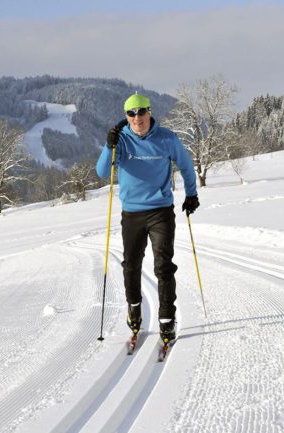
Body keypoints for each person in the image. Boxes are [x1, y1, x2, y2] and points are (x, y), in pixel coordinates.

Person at [96, 92, 199, 343]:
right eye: (131, 113)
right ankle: (134, 306)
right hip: (132, 213)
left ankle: (166, 319)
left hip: (160, 210)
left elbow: (185, 165)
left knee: (163, 265)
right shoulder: (121, 141)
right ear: (126, 116)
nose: (137, 117)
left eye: (141, 111)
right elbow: (102, 172)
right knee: (131, 265)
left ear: (149, 112)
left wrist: (191, 194)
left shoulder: (167, 139)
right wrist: (109, 145)